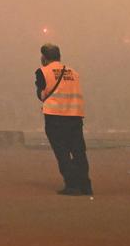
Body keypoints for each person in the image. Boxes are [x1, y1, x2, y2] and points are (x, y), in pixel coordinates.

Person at [35, 44, 93, 196]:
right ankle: (85, 185)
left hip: (55, 117)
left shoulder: (43, 72)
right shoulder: (73, 72)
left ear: (44, 57)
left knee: (62, 153)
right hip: (75, 116)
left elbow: (41, 95)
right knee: (79, 152)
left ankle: (72, 185)